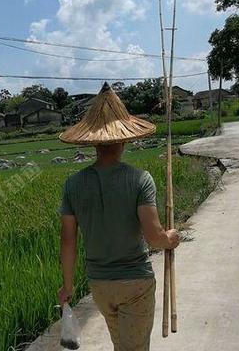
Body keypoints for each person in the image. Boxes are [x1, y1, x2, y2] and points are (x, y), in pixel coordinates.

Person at [57, 82, 180, 351]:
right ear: (124, 137)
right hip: (134, 283)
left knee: (121, 345)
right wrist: (170, 238)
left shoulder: (73, 185)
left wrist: (67, 286)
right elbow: (154, 237)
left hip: (100, 285)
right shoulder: (140, 180)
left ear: (93, 141)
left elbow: (68, 241)